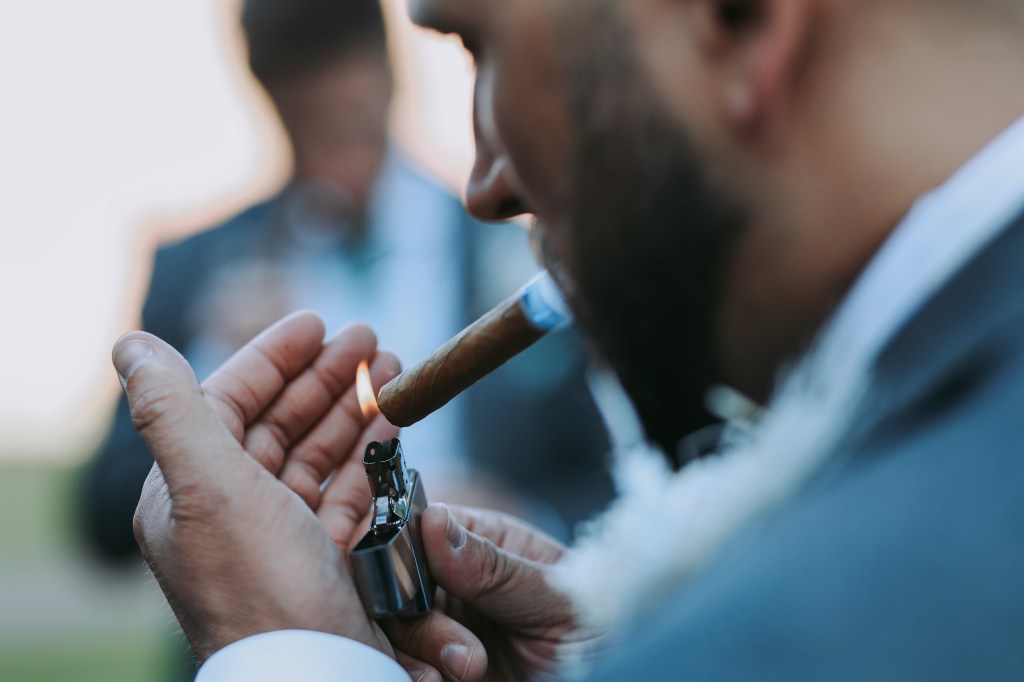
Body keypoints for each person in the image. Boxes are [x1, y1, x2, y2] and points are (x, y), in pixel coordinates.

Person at [109, 0, 1024, 679]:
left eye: (480, 47)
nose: (488, 183)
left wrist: (290, 655)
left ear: (738, 18)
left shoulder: (802, 632)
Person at [83, 0, 612, 563]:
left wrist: (523, 522)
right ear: (272, 103)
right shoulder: (199, 270)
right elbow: (107, 518)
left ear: (388, 75)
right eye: (309, 130)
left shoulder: (517, 251)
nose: (337, 162)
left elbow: (613, 482)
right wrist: (212, 369)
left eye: (350, 125)